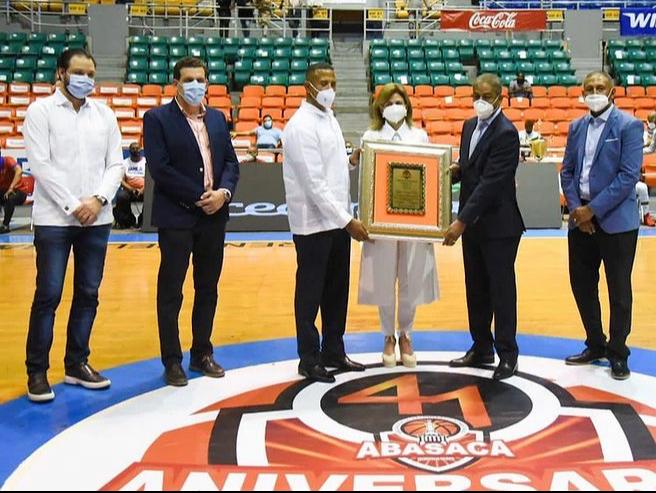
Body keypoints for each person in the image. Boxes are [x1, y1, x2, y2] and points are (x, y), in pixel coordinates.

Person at [23, 48, 125, 402]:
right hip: (54, 220)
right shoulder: (40, 112)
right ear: (61, 73)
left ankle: (76, 363)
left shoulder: (105, 114)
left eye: (90, 74)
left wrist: (98, 200)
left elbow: (116, 164)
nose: (85, 79)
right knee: (48, 294)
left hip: (97, 219)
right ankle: (37, 371)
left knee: (88, 293)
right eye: (79, 72)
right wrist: (73, 205)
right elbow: (40, 165)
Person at [144, 57, 240, 387]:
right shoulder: (157, 119)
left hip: (214, 217)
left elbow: (231, 163)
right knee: (171, 290)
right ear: (176, 84)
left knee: (208, 287)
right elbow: (160, 168)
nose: (195, 85)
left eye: (200, 79)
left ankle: (202, 353)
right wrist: (200, 196)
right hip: (178, 216)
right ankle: (172, 360)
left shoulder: (217, 118)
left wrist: (223, 193)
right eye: (189, 79)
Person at [282, 63, 369, 383]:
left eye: (332, 82)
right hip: (313, 225)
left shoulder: (329, 117)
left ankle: (334, 350)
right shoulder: (300, 126)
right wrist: (349, 222)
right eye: (323, 82)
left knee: (336, 290)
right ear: (308, 86)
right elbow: (314, 185)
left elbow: (330, 167)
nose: (329, 88)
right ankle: (309, 358)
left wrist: (351, 161)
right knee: (310, 294)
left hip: (336, 222)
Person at [560, 72, 643, 380]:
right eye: (589, 88)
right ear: (582, 93)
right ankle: (595, 343)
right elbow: (567, 172)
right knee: (582, 285)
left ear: (612, 92)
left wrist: (591, 210)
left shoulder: (629, 126)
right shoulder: (576, 127)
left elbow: (628, 176)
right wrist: (576, 210)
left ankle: (618, 352)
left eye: (600, 88)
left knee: (618, 290)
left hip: (616, 222)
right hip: (580, 220)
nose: (594, 92)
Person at [444, 73, 525, 381]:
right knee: (476, 288)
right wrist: (452, 171)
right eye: (476, 95)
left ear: (500, 98)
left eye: (487, 96)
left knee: (501, 291)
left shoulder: (506, 133)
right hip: (475, 227)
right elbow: (471, 168)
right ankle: (481, 348)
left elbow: (491, 183)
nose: (480, 100)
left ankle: (508, 354)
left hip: (499, 226)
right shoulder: (469, 126)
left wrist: (460, 221)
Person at [358, 83, 439, 368]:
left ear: (407, 106)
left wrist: (431, 223)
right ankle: (387, 336)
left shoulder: (420, 136)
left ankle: (406, 334)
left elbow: (430, 178)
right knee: (383, 278)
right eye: (389, 102)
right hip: (381, 222)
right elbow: (365, 182)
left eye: (399, 102)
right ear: (380, 107)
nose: (395, 107)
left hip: (413, 221)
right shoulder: (370, 137)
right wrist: (366, 218)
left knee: (410, 278)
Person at [113, 142, 146, 229]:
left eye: (137, 148)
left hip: (143, 189)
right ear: (129, 150)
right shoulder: (124, 163)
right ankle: (128, 221)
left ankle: (143, 220)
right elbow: (121, 180)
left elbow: (149, 180)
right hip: (129, 190)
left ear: (140, 150)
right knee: (121, 196)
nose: (135, 150)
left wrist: (142, 189)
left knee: (152, 196)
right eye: (133, 148)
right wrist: (131, 189)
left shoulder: (146, 162)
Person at [0, 149, 29, 234]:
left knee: (10, 198)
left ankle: (5, 225)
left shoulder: (8, 160)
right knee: (6, 196)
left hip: (19, 191)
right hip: (3, 191)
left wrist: (11, 188)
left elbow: (19, 171)